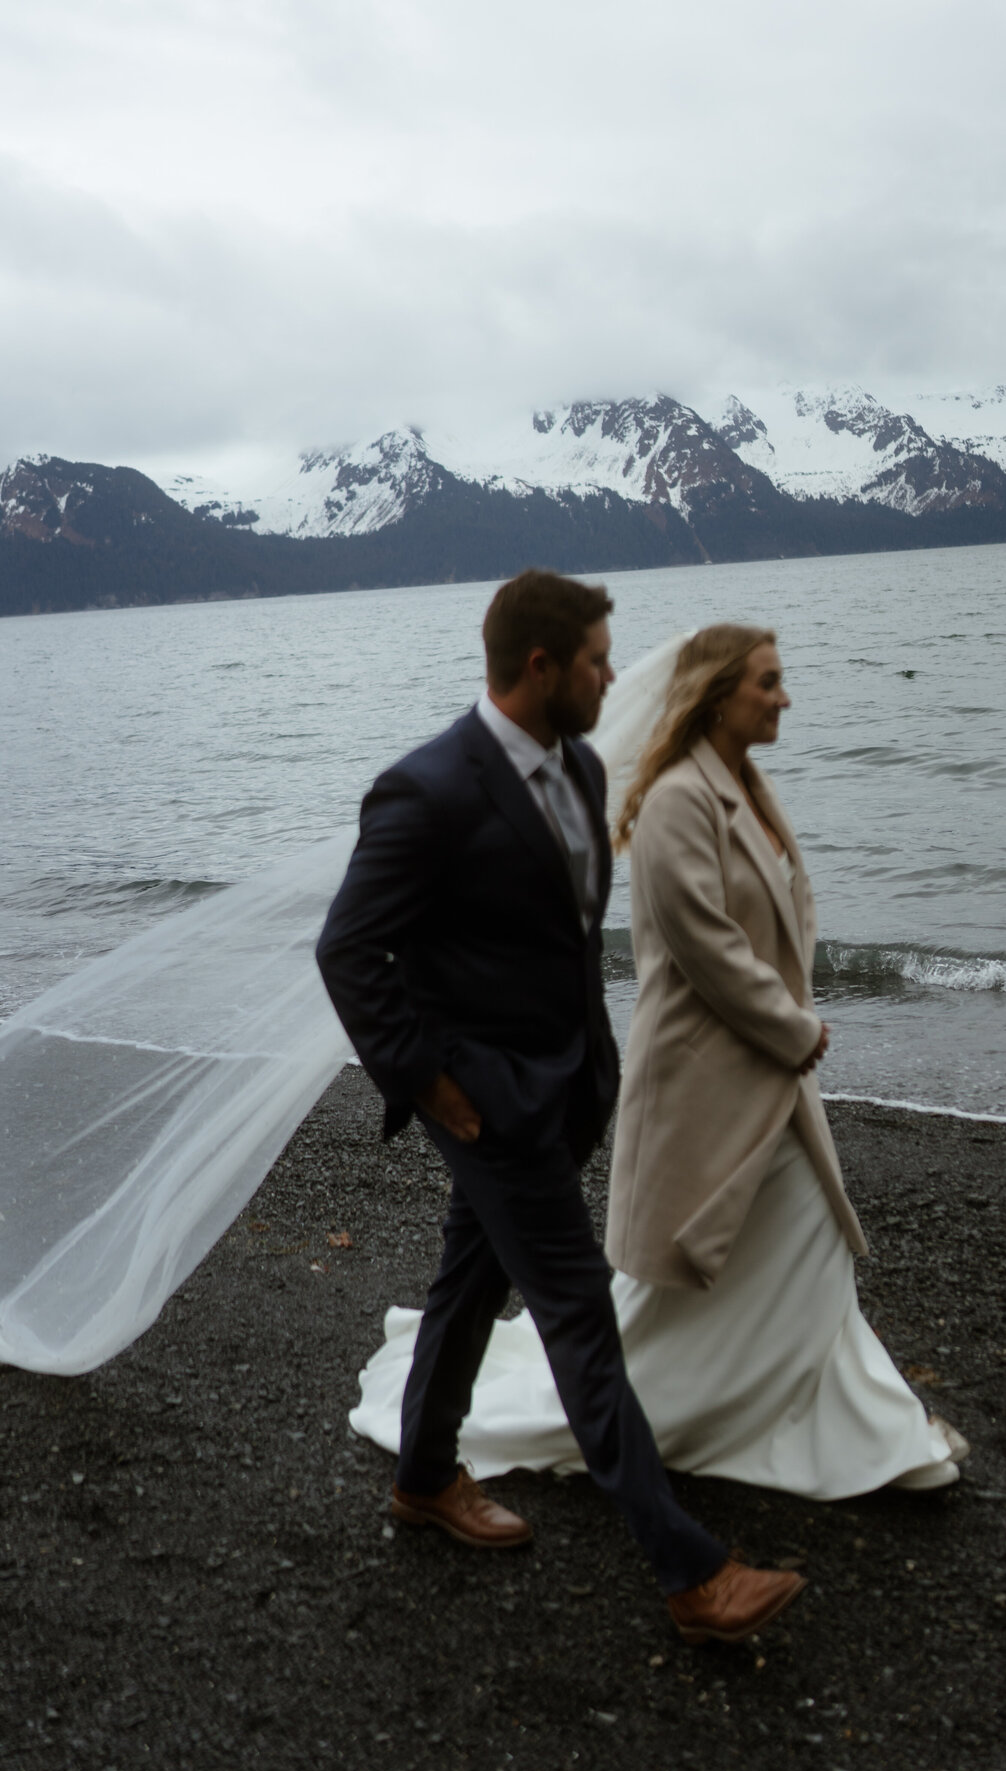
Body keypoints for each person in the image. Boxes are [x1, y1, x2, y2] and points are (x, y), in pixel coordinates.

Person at [350, 622, 967, 1498]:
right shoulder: (679, 799)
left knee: (803, 1249)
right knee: (751, 1256)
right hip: (714, 1080)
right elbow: (702, 944)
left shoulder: (747, 785)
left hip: (767, 1076)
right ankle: (664, 1422)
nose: (784, 696)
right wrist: (796, 1029)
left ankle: (849, 1418)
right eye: (768, 681)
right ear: (718, 695)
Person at [317, 574, 805, 1645]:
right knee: (580, 1317)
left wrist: (593, 1070)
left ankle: (425, 1478)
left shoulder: (582, 767)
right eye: (595, 659)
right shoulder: (430, 790)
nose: (613, 675)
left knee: (466, 1281)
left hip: (566, 1091)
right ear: (539, 669)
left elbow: (566, 943)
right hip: (486, 1108)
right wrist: (431, 1083)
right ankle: (691, 1575)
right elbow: (349, 949)